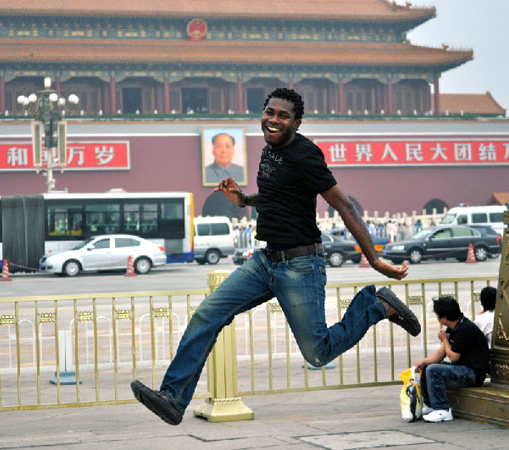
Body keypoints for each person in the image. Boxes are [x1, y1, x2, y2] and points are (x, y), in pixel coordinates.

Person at [131, 87, 420, 426]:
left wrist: (374, 258)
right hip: (265, 260)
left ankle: (375, 305)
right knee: (207, 314)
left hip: (300, 265)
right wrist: (244, 200)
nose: (274, 119)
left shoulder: (306, 155)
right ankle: (172, 398)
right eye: (270, 112)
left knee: (317, 352)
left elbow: (343, 205)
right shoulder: (269, 151)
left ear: (297, 122)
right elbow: (276, 194)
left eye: (283, 116)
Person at [414, 296, 489, 423]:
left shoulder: (465, 329)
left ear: (443, 318)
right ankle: (429, 405)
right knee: (428, 367)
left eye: (437, 315)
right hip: (462, 369)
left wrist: (444, 340)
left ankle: (442, 409)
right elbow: (440, 353)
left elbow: (453, 357)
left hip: (473, 374)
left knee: (434, 370)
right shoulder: (453, 328)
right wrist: (423, 362)